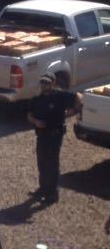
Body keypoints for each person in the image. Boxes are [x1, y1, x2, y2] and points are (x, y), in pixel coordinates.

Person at [26, 72, 82, 204]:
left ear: (53, 83)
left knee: (52, 164)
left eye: (47, 82)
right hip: (41, 135)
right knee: (42, 162)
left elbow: (79, 96)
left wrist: (73, 111)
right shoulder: (38, 98)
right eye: (42, 82)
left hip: (55, 135)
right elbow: (29, 114)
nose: (44, 85)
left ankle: (52, 193)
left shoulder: (60, 96)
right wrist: (36, 122)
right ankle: (43, 189)